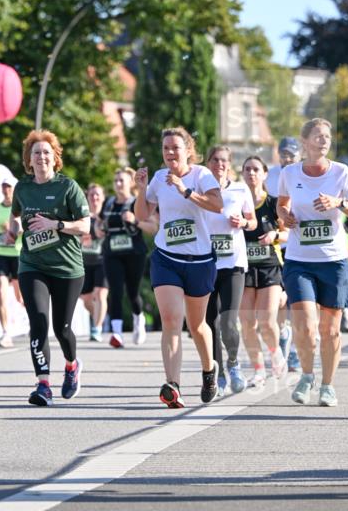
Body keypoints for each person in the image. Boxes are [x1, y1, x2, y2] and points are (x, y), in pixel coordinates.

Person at [277, 117, 348, 407]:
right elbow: (282, 202)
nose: (324, 140)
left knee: (330, 330)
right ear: (305, 142)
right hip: (300, 260)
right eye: (318, 135)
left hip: (334, 261)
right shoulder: (290, 173)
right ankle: (306, 375)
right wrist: (285, 216)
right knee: (304, 325)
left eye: (327, 136)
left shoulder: (341, 173)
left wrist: (338, 203)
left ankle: (327, 385)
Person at [134, 127, 223, 409]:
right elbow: (143, 215)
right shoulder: (159, 178)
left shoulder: (201, 175)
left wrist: (186, 192)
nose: (170, 153)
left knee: (197, 325)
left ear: (188, 150)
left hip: (199, 261)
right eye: (165, 149)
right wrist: (140, 189)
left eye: (175, 147)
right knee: (171, 320)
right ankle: (173, 385)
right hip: (166, 258)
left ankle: (209, 371)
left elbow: (217, 205)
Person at [9, 130, 90, 406]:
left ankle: (71, 365)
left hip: (67, 268)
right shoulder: (22, 188)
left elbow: (85, 225)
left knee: (62, 329)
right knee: (39, 322)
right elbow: (15, 213)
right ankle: (43, 384)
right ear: (28, 160)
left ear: (55, 158)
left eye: (46, 152)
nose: (41, 157)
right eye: (36, 153)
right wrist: (12, 229)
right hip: (32, 265)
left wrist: (55, 225)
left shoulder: (68, 187)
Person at [204, 147, 255, 395]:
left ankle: (233, 363)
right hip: (205, 263)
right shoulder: (201, 189)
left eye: (224, 160)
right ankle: (218, 373)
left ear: (229, 164)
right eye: (215, 160)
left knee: (228, 321)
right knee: (209, 323)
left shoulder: (240, 189)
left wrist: (244, 223)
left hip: (233, 263)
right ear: (208, 162)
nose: (219, 164)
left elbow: (252, 220)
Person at [239, 156, 288, 383]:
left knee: (267, 322)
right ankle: (258, 369)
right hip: (244, 268)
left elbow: (291, 233)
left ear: (265, 174)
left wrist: (275, 235)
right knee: (248, 323)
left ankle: (276, 353)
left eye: (256, 169)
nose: (251, 173)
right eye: (247, 169)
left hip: (270, 267)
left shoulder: (273, 203)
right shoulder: (237, 202)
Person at [102, 168, 154, 347]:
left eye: (121, 180)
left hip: (134, 253)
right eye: (115, 180)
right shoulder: (108, 204)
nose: (117, 184)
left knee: (132, 292)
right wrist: (98, 229)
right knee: (115, 291)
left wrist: (135, 220)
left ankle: (138, 319)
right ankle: (117, 333)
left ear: (130, 183)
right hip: (112, 253)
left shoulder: (137, 203)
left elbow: (152, 228)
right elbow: (100, 226)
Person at [265, 137, 302, 370]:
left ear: (299, 155)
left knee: (299, 302)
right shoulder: (270, 177)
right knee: (279, 301)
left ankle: (296, 352)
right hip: (277, 246)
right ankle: (284, 335)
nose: (287, 158)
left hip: (300, 245)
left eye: (291, 154)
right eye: (284, 154)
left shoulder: (304, 174)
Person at [0, 176, 23, 348]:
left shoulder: (21, 209)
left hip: (17, 255)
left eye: (9, 187)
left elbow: (28, 230)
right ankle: (5, 333)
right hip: (0, 254)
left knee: (20, 297)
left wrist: (15, 230)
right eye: (4, 187)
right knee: (1, 292)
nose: (6, 190)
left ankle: (35, 323)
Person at [80, 183, 108, 342]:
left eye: (98, 194)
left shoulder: (107, 215)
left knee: (100, 293)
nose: (94, 197)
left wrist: (102, 226)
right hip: (85, 262)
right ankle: (99, 315)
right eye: (91, 195)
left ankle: (96, 329)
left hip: (104, 261)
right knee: (87, 299)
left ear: (103, 197)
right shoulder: (82, 216)